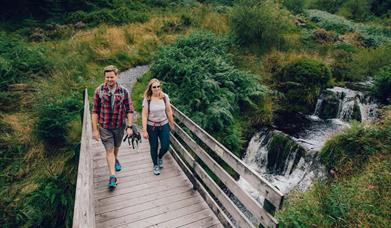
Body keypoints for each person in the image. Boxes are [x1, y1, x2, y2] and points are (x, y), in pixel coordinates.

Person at [92, 65, 134, 190]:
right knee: (109, 150)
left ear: (117, 76)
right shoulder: (99, 91)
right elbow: (94, 111)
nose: (109, 79)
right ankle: (112, 176)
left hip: (119, 126)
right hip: (104, 126)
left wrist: (130, 126)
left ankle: (115, 159)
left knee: (116, 147)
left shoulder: (123, 91)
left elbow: (130, 110)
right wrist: (95, 130)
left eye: (112, 77)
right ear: (104, 77)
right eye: (107, 77)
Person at [141, 78, 174, 175]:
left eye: (158, 86)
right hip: (152, 126)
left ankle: (159, 157)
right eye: (154, 87)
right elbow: (144, 115)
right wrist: (144, 130)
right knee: (154, 146)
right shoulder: (147, 99)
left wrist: (171, 123)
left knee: (165, 146)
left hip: (164, 124)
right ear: (151, 88)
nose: (156, 88)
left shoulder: (165, 97)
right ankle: (155, 165)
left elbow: (168, 110)